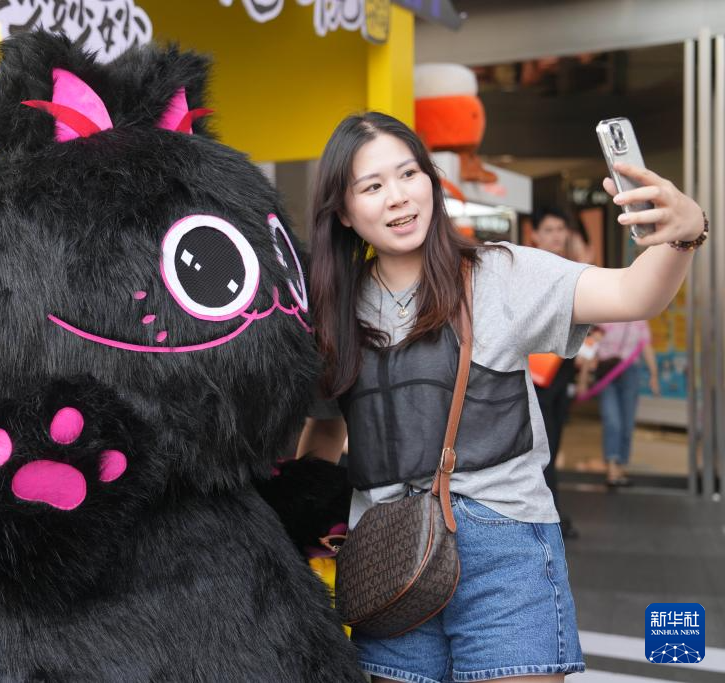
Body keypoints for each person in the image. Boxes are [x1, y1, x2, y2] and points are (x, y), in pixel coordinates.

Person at [298, 111, 706, 683]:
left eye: (409, 174)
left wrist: (685, 232)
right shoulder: (332, 313)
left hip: (504, 553)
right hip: (387, 562)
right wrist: (305, 518)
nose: (398, 197)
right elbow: (327, 427)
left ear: (430, 181)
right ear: (342, 210)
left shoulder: (499, 274)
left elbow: (633, 293)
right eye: (372, 186)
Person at [530, 206, 583, 538]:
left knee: (554, 444)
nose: (556, 236)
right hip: (536, 377)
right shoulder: (528, 269)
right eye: (548, 230)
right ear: (535, 234)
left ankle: (551, 515)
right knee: (543, 448)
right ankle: (550, 518)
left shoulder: (572, 269)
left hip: (561, 373)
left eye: (560, 229)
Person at [591, 320, 660, 487]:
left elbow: (646, 346)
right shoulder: (605, 317)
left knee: (627, 422)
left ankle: (621, 466)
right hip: (606, 371)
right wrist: (584, 376)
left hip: (630, 372)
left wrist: (654, 374)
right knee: (612, 421)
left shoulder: (640, 320)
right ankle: (612, 468)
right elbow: (591, 346)